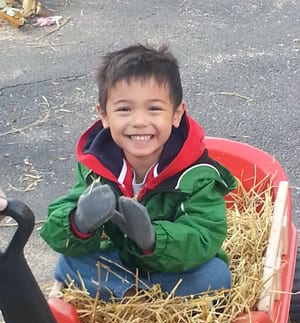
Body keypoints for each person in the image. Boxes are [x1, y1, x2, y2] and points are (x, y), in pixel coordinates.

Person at [40, 44, 237, 301]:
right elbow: (58, 230)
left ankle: (132, 295)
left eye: (154, 108)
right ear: (104, 116)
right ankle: (136, 296)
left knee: (216, 276)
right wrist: (78, 223)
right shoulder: (96, 167)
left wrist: (153, 240)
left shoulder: (197, 175)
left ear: (176, 114)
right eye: (124, 109)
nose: (139, 121)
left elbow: (204, 235)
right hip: (118, 263)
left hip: (173, 270)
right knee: (68, 264)